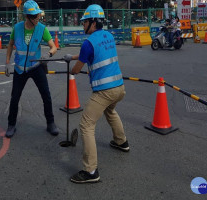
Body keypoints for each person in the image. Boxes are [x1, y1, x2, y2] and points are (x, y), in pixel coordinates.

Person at [63, 4, 129, 184]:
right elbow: (90, 54)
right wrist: (73, 56)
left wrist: (72, 70)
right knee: (110, 111)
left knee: (86, 125)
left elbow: (78, 68)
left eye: (84, 22)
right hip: (119, 88)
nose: (82, 25)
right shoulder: (108, 36)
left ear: (93, 22)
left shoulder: (88, 42)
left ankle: (90, 171)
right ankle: (121, 142)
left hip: (105, 91)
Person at [4, 0, 58, 138]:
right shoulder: (17, 28)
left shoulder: (42, 29)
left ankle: (51, 123)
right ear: (27, 16)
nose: (38, 18)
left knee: (46, 95)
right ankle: (11, 125)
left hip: (36, 67)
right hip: (20, 69)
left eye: (38, 15)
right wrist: (7, 63)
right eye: (34, 16)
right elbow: (10, 45)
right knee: (14, 98)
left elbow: (54, 47)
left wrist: (48, 54)